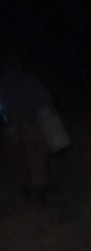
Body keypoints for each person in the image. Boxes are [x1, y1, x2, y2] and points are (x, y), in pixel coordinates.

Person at [0, 46, 56, 206]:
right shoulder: (32, 82)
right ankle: (39, 198)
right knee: (37, 160)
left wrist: (6, 118)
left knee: (18, 160)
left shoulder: (3, 85)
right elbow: (47, 102)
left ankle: (26, 192)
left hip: (11, 128)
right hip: (32, 126)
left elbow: (1, 108)